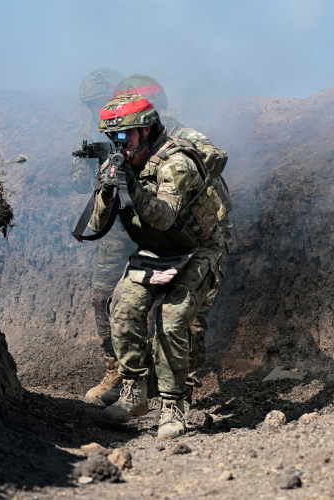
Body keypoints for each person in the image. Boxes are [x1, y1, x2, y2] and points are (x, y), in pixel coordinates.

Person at [89, 93, 227, 438]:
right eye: (113, 137)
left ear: (147, 131)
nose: (119, 144)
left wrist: (131, 185)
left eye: (126, 136)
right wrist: (107, 188)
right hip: (155, 251)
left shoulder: (176, 163)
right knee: (122, 308)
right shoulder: (119, 162)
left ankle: (173, 407)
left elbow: (164, 217)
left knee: (172, 321)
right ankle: (134, 394)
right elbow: (95, 223)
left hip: (197, 250)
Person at [109, 75, 235, 400]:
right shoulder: (128, 145)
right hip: (163, 232)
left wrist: (179, 168)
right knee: (132, 307)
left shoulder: (178, 136)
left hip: (204, 231)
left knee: (188, 317)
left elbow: (216, 156)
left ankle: (183, 393)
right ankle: (143, 385)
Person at [69, 68, 136, 404]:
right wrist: (94, 166)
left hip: (149, 221)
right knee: (103, 298)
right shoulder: (91, 129)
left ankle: (155, 376)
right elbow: (80, 182)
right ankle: (115, 370)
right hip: (113, 228)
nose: (96, 109)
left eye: (100, 101)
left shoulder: (139, 121)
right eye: (90, 103)